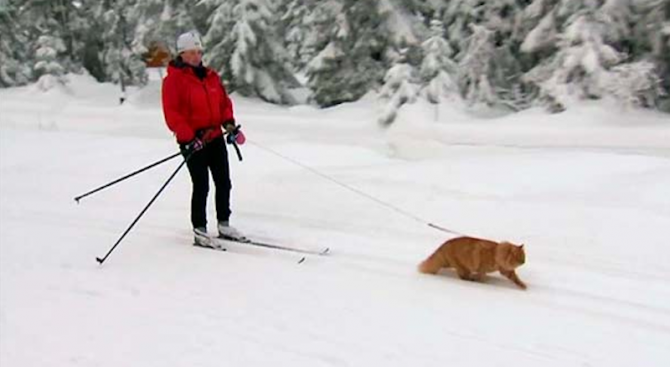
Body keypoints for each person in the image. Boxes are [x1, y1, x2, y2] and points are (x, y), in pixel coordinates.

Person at [161, 31, 246, 247]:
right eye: (192, 52)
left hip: (215, 136)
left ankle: (224, 224)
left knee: (224, 181)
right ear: (182, 54)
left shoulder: (211, 76)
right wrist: (189, 137)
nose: (197, 56)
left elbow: (223, 103)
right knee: (201, 184)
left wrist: (229, 124)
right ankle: (199, 229)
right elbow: (172, 113)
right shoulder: (174, 80)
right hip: (193, 140)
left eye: (199, 52)